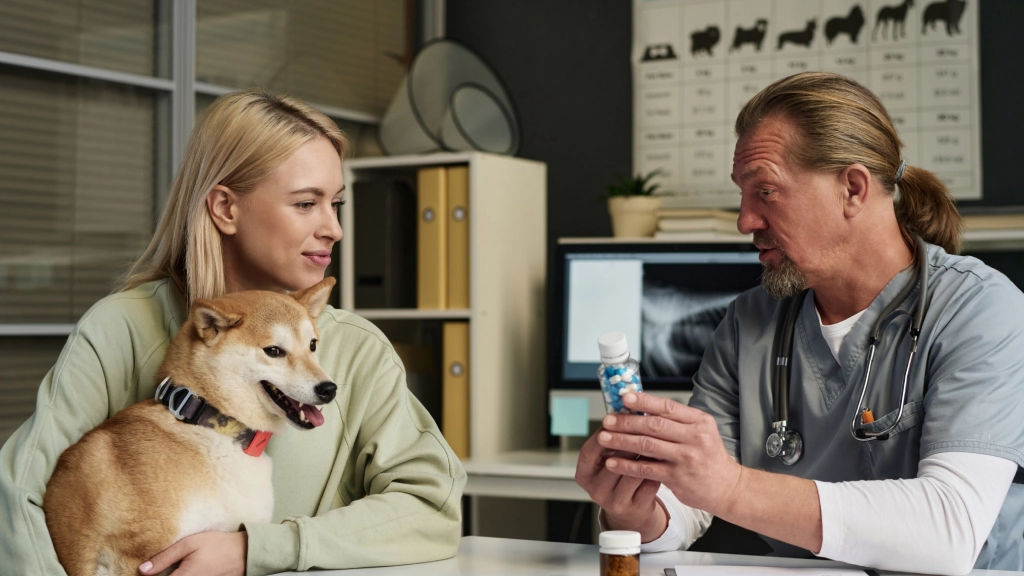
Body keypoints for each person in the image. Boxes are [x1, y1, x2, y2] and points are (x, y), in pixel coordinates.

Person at [0, 89, 466, 576]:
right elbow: (17, 501)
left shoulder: (358, 348)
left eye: (337, 204)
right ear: (225, 208)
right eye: (307, 203)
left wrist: (255, 549)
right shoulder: (119, 327)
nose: (334, 229)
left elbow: (432, 508)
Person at [576, 71, 1024, 575]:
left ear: (852, 188)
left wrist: (734, 487)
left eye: (765, 191)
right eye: (742, 195)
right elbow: (690, 501)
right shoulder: (751, 321)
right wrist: (641, 510)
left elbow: (951, 528)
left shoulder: (979, 309)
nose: (745, 220)